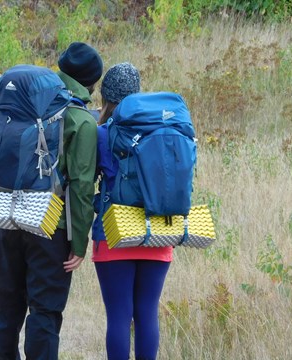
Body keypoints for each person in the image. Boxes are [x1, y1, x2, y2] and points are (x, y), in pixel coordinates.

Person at [0, 42, 102, 360]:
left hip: (8, 217)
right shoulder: (81, 120)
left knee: (5, 309)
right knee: (44, 312)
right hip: (51, 226)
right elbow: (80, 187)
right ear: (91, 82)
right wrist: (79, 242)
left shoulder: (28, 105)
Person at [91, 62, 173, 359]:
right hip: (158, 232)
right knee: (147, 314)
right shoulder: (163, 128)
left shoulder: (101, 134)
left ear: (106, 97)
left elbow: (87, 182)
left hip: (114, 235)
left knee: (118, 317)